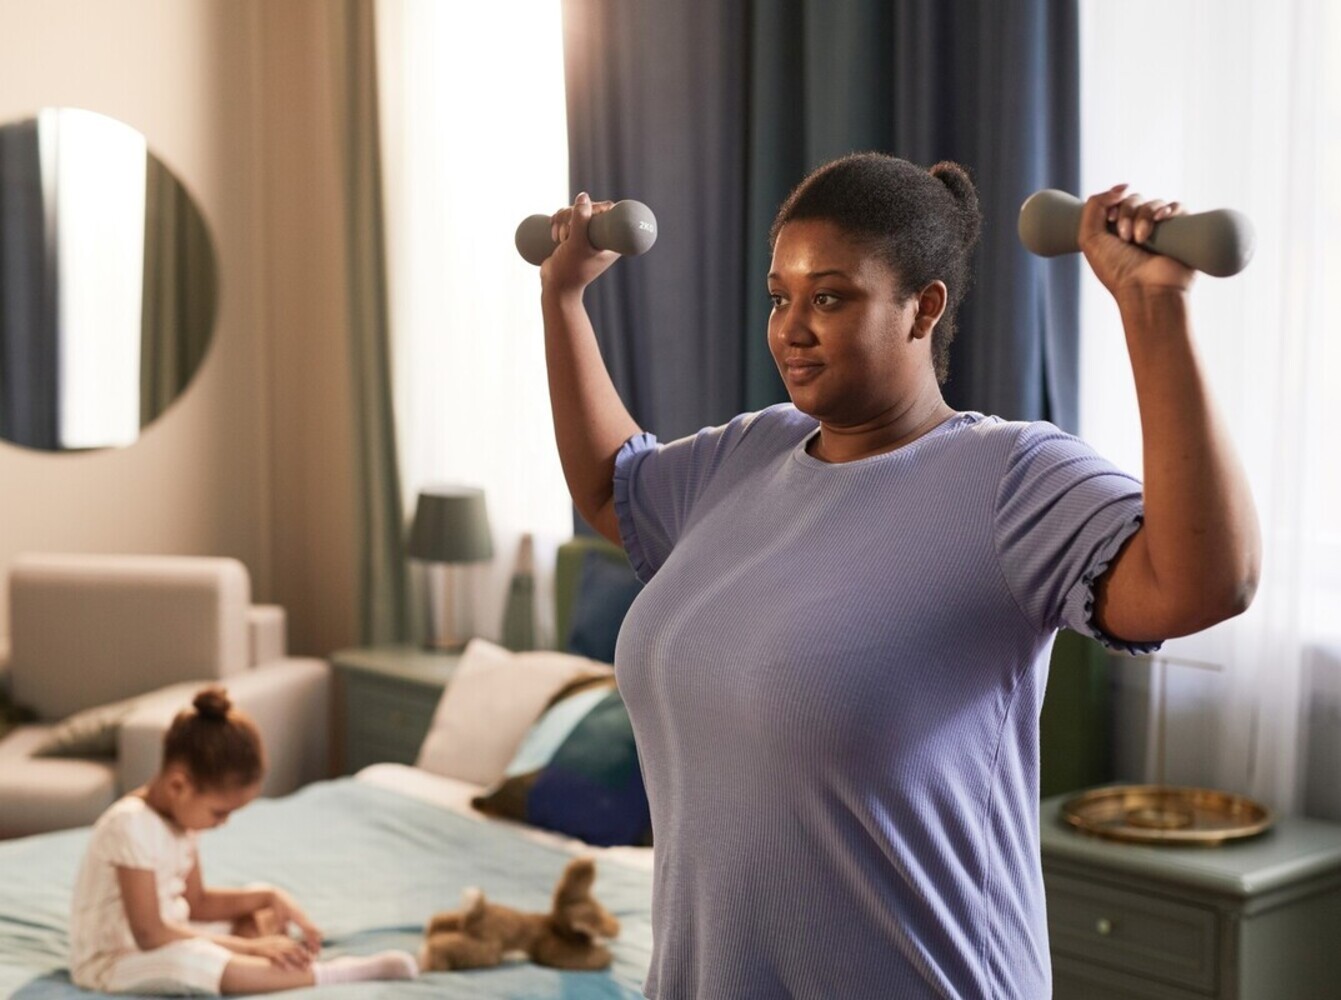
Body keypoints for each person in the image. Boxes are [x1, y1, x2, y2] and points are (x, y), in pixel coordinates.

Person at [536, 153, 1260, 999]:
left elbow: (1206, 582)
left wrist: (1152, 306)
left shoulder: (1007, 478)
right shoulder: (746, 454)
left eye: (830, 297)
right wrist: (561, 297)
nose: (790, 327)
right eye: (780, 297)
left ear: (924, 308)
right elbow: (607, 484)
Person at [69, 686, 419, 995]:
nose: (222, 824)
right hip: (116, 961)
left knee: (255, 909)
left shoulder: (182, 822)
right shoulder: (129, 826)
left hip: (166, 936)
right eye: (219, 813)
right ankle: (334, 974)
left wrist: (268, 895)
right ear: (179, 785)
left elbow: (198, 901)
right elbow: (150, 934)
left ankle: (259, 968)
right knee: (193, 960)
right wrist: (248, 948)